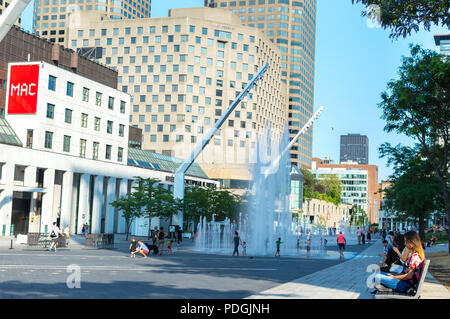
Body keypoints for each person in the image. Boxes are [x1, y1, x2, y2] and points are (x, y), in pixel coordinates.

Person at [372, 231, 425, 295]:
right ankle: (385, 287)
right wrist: (395, 276)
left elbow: (409, 276)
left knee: (376, 277)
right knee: (378, 273)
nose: (404, 244)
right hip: (403, 282)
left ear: (411, 242)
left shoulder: (415, 257)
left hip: (404, 285)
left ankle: (387, 288)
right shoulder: (416, 255)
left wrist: (395, 277)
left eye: (406, 241)